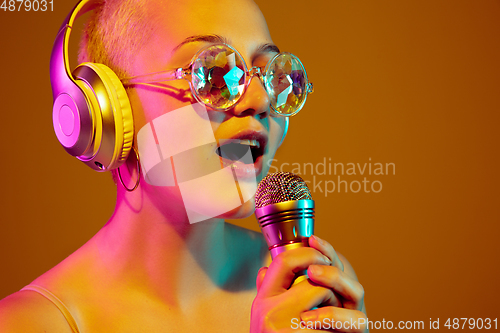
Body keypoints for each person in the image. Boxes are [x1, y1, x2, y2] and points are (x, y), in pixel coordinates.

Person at [0, 0, 367, 331]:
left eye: (269, 73)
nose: (259, 99)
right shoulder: (30, 325)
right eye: (210, 71)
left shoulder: (315, 288)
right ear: (105, 114)